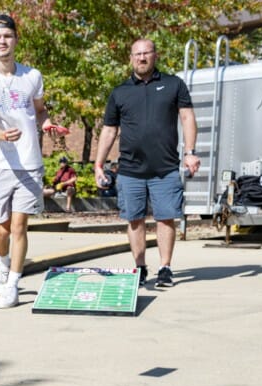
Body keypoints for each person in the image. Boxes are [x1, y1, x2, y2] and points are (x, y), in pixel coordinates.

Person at [0, 14, 66, 309]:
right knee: (2, 229)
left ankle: (12, 284)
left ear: (15, 40)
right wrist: (2, 134)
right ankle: (4, 262)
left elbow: (39, 110)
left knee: (20, 226)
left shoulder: (32, 76)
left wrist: (46, 122)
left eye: (8, 36)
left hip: (29, 164)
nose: (3, 41)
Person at [94, 38, 199, 288]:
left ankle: (165, 268)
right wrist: (99, 164)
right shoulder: (120, 92)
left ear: (155, 55)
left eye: (146, 53)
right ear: (130, 58)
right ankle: (140, 268)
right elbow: (109, 131)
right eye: (137, 54)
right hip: (130, 169)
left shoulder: (174, 84)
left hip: (165, 168)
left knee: (165, 218)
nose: (141, 58)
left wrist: (190, 152)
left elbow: (187, 117)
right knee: (134, 219)